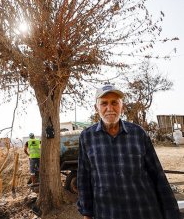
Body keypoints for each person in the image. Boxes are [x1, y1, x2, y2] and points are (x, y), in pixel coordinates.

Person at [77, 84, 181, 219]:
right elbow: (84, 178)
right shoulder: (86, 137)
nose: (110, 108)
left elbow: (157, 175)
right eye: (104, 103)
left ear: (122, 107)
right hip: (107, 213)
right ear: (96, 108)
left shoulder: (138, 133)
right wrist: (86, 213)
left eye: (114, 102)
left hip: (143, 211)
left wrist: (171, 213)